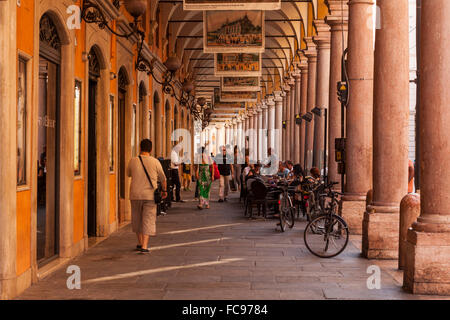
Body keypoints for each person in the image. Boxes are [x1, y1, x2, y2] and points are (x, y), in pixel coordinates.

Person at [127, 139, 167, 253]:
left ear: (140, 148)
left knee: (137, 219)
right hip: (150, 195)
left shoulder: (133, 161)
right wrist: (164, 190)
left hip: (135, 195)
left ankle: (139, 243)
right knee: (148, 219)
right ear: (151, 149)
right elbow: (163, 178)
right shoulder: (155, 162)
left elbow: (128, 174)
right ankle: (144, 246)